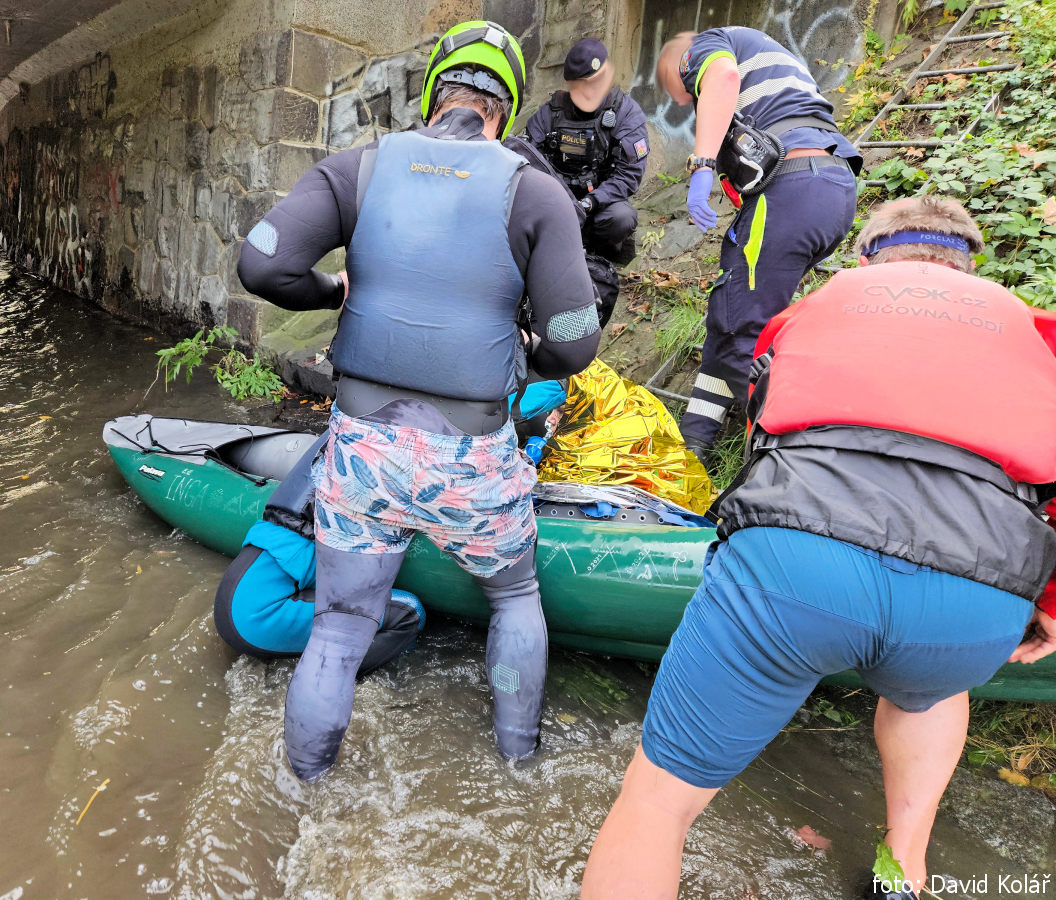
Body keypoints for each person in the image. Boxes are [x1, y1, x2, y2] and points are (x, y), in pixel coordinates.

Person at [581, 196, 1056, 900]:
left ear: (866, 259)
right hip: (974, 602)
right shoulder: (1035, 335)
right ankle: (904, 865)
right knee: (931, 695)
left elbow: (765, 430)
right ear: (969, 265)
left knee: (657, 805)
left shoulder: (823, 303)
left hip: (795, 570)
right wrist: (1047, 604)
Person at [236, 20, 600, 781]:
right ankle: (518, 769)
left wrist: (334, 288)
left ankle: (302, 791)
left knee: (337, 629)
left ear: (436, 90)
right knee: (515, 596)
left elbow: (263, 265)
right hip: (472, 457)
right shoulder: (533, 191)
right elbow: (573, 342)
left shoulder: (358, 168)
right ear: (506, 103)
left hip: (364, 450)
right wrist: (522, 345)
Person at [655, 28, 862, 463]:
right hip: (831, 186)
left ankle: (800, 455)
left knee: (740, 327)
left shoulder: (709, 45)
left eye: (674, 84)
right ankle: (694, 446)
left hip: (794, 187)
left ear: (680, 59)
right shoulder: (773, 60)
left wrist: (703, 165)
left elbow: (723, 78)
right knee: (731, 318)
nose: (679, 101)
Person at [524, 37, 650, 265]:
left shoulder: (626, 114)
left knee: (621, 218)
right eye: (582, 85)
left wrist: (590, 202)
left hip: (599, 205)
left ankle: (598, 258)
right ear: (570, 85)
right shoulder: (550, 113)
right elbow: (528, 160)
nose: (590, 91)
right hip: (556, 203)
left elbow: (628, 175)